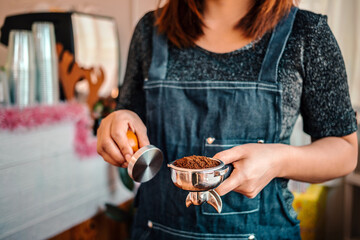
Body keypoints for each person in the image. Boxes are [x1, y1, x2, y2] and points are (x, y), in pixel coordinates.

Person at [97, 0, 358, 239]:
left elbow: (345, 151)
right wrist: (120, 118)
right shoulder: (150, 30)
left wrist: (279, 160)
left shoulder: (307, 33)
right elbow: (130, 114)